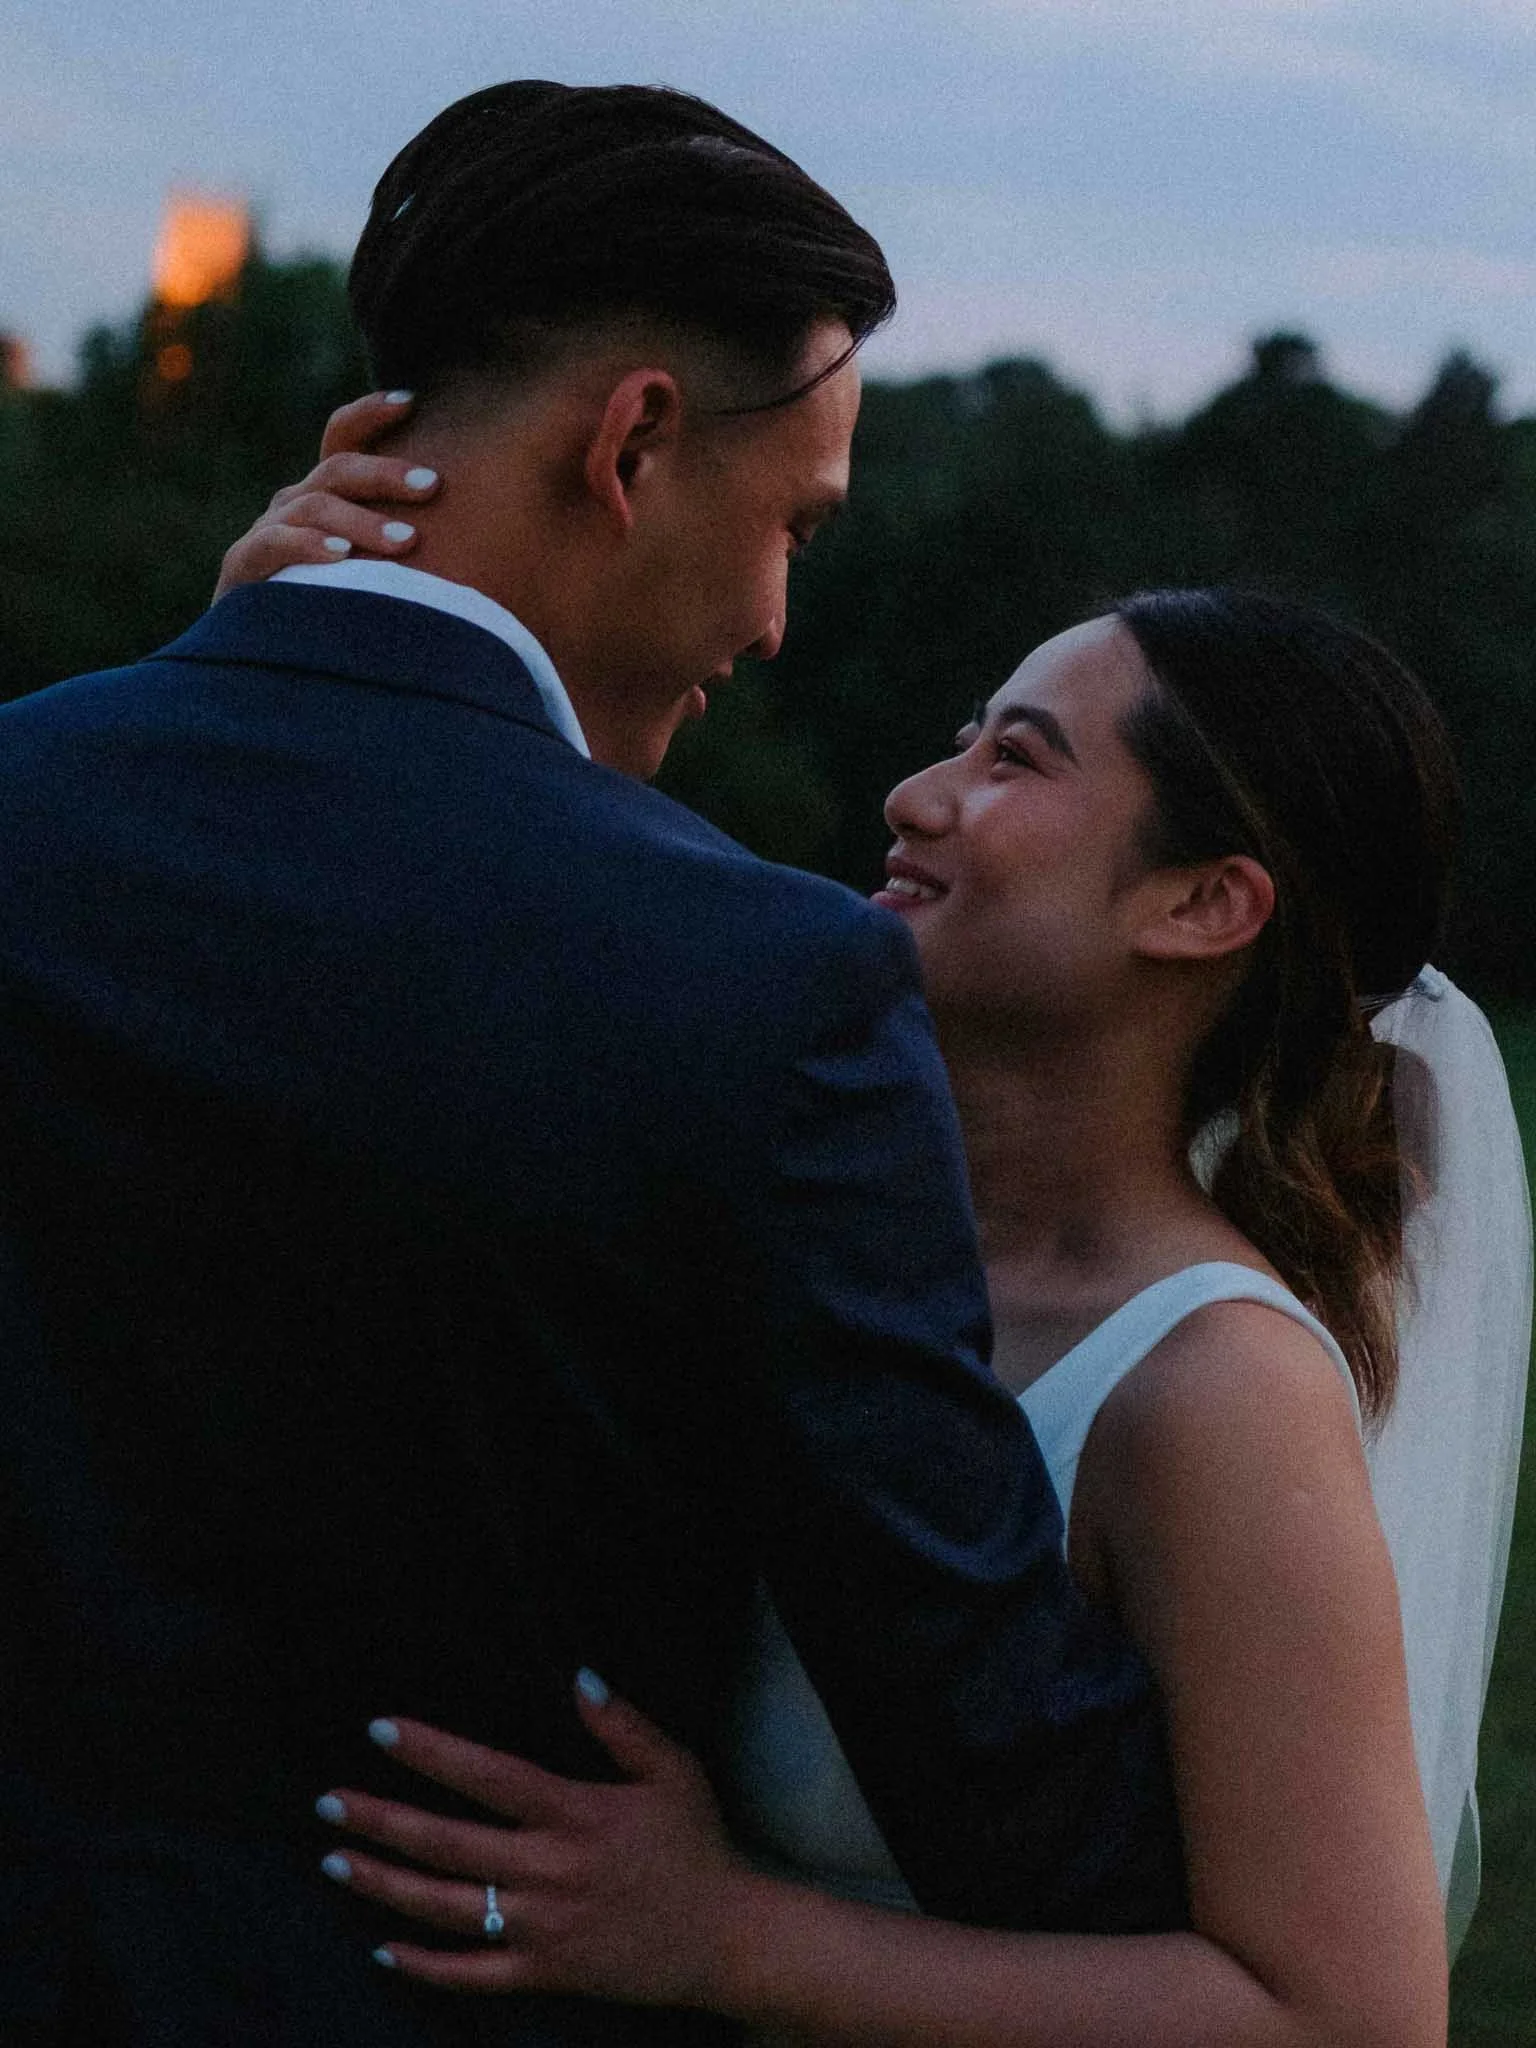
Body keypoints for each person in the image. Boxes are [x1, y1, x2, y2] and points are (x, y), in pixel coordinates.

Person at [0, 83, 1192, 2048]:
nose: (778, 618)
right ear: (634, 440)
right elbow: (1001, 1775)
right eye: (792, 523)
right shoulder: (760, 985)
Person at [221, 505, 1535, 2040]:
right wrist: (284, 651)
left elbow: (1350, 2021)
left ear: (1200, 904)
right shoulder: (822, 1231)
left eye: (1017, 761)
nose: (917, 795)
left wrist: (720, 1940)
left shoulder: (1213, 1394)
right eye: (961, 740)